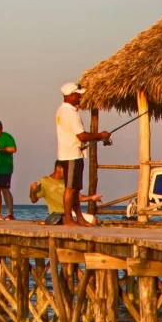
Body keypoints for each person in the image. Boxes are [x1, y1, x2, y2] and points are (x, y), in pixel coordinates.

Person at [56, 81, 108, 221]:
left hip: (70, 153)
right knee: (70, 188)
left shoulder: (62, 110)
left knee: (75, 188)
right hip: (71, 154)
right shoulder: (70, 113)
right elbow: (82, 136)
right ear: (71, 95)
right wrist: (100, 135)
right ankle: (68, 219)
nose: (80, 98)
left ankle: (79, 217)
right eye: (78, 95)